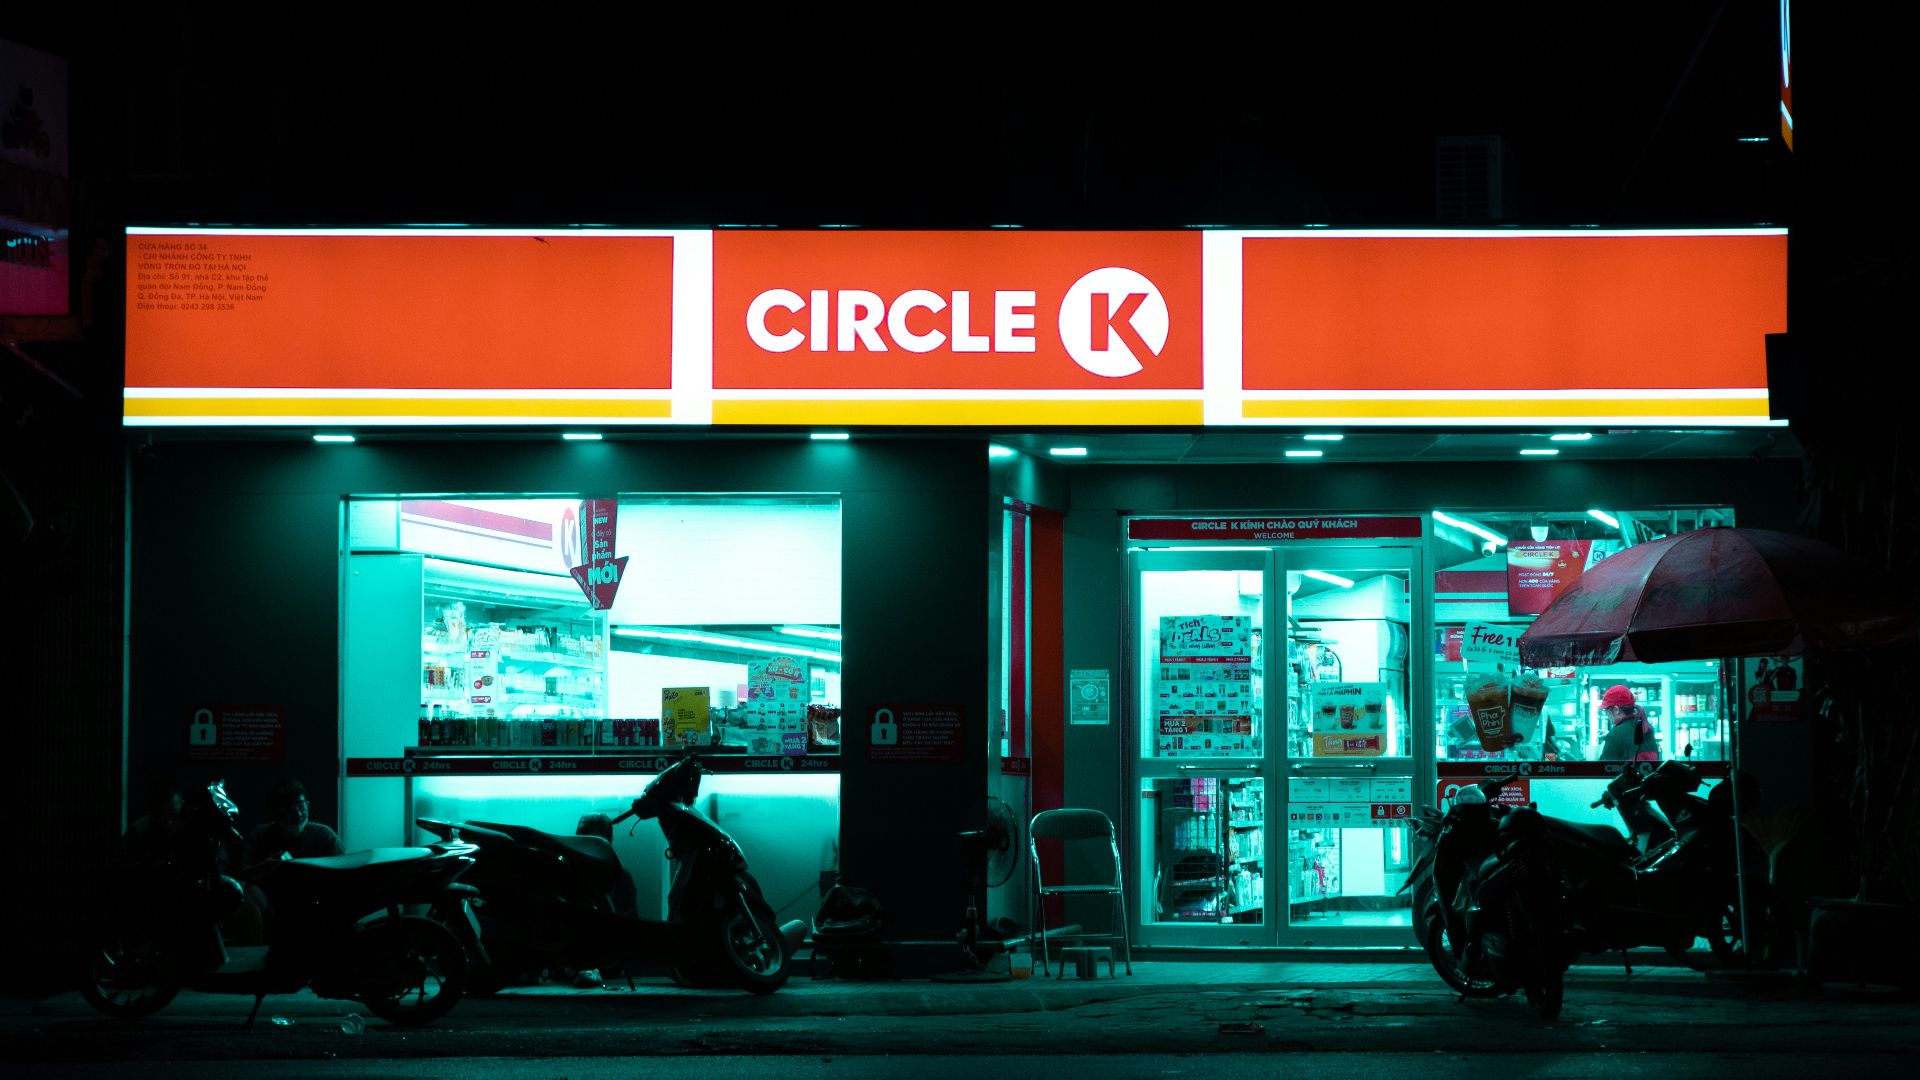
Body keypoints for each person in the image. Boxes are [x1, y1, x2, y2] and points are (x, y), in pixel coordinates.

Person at [245, 777, 344, 864]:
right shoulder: (259, 836)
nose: (298, 814)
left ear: (307, 805)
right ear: (273, 811)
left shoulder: (325, 837)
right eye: (288, 808)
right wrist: (265, 868)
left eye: (301, 806)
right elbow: (243, 875)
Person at [1597, 684, 1661, 762]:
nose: (1606, 714)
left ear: (1616, 709)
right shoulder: (1645, 727)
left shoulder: (1616, 734)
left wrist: (1611, 737)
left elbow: (1603, 768)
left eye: (1606, 710)